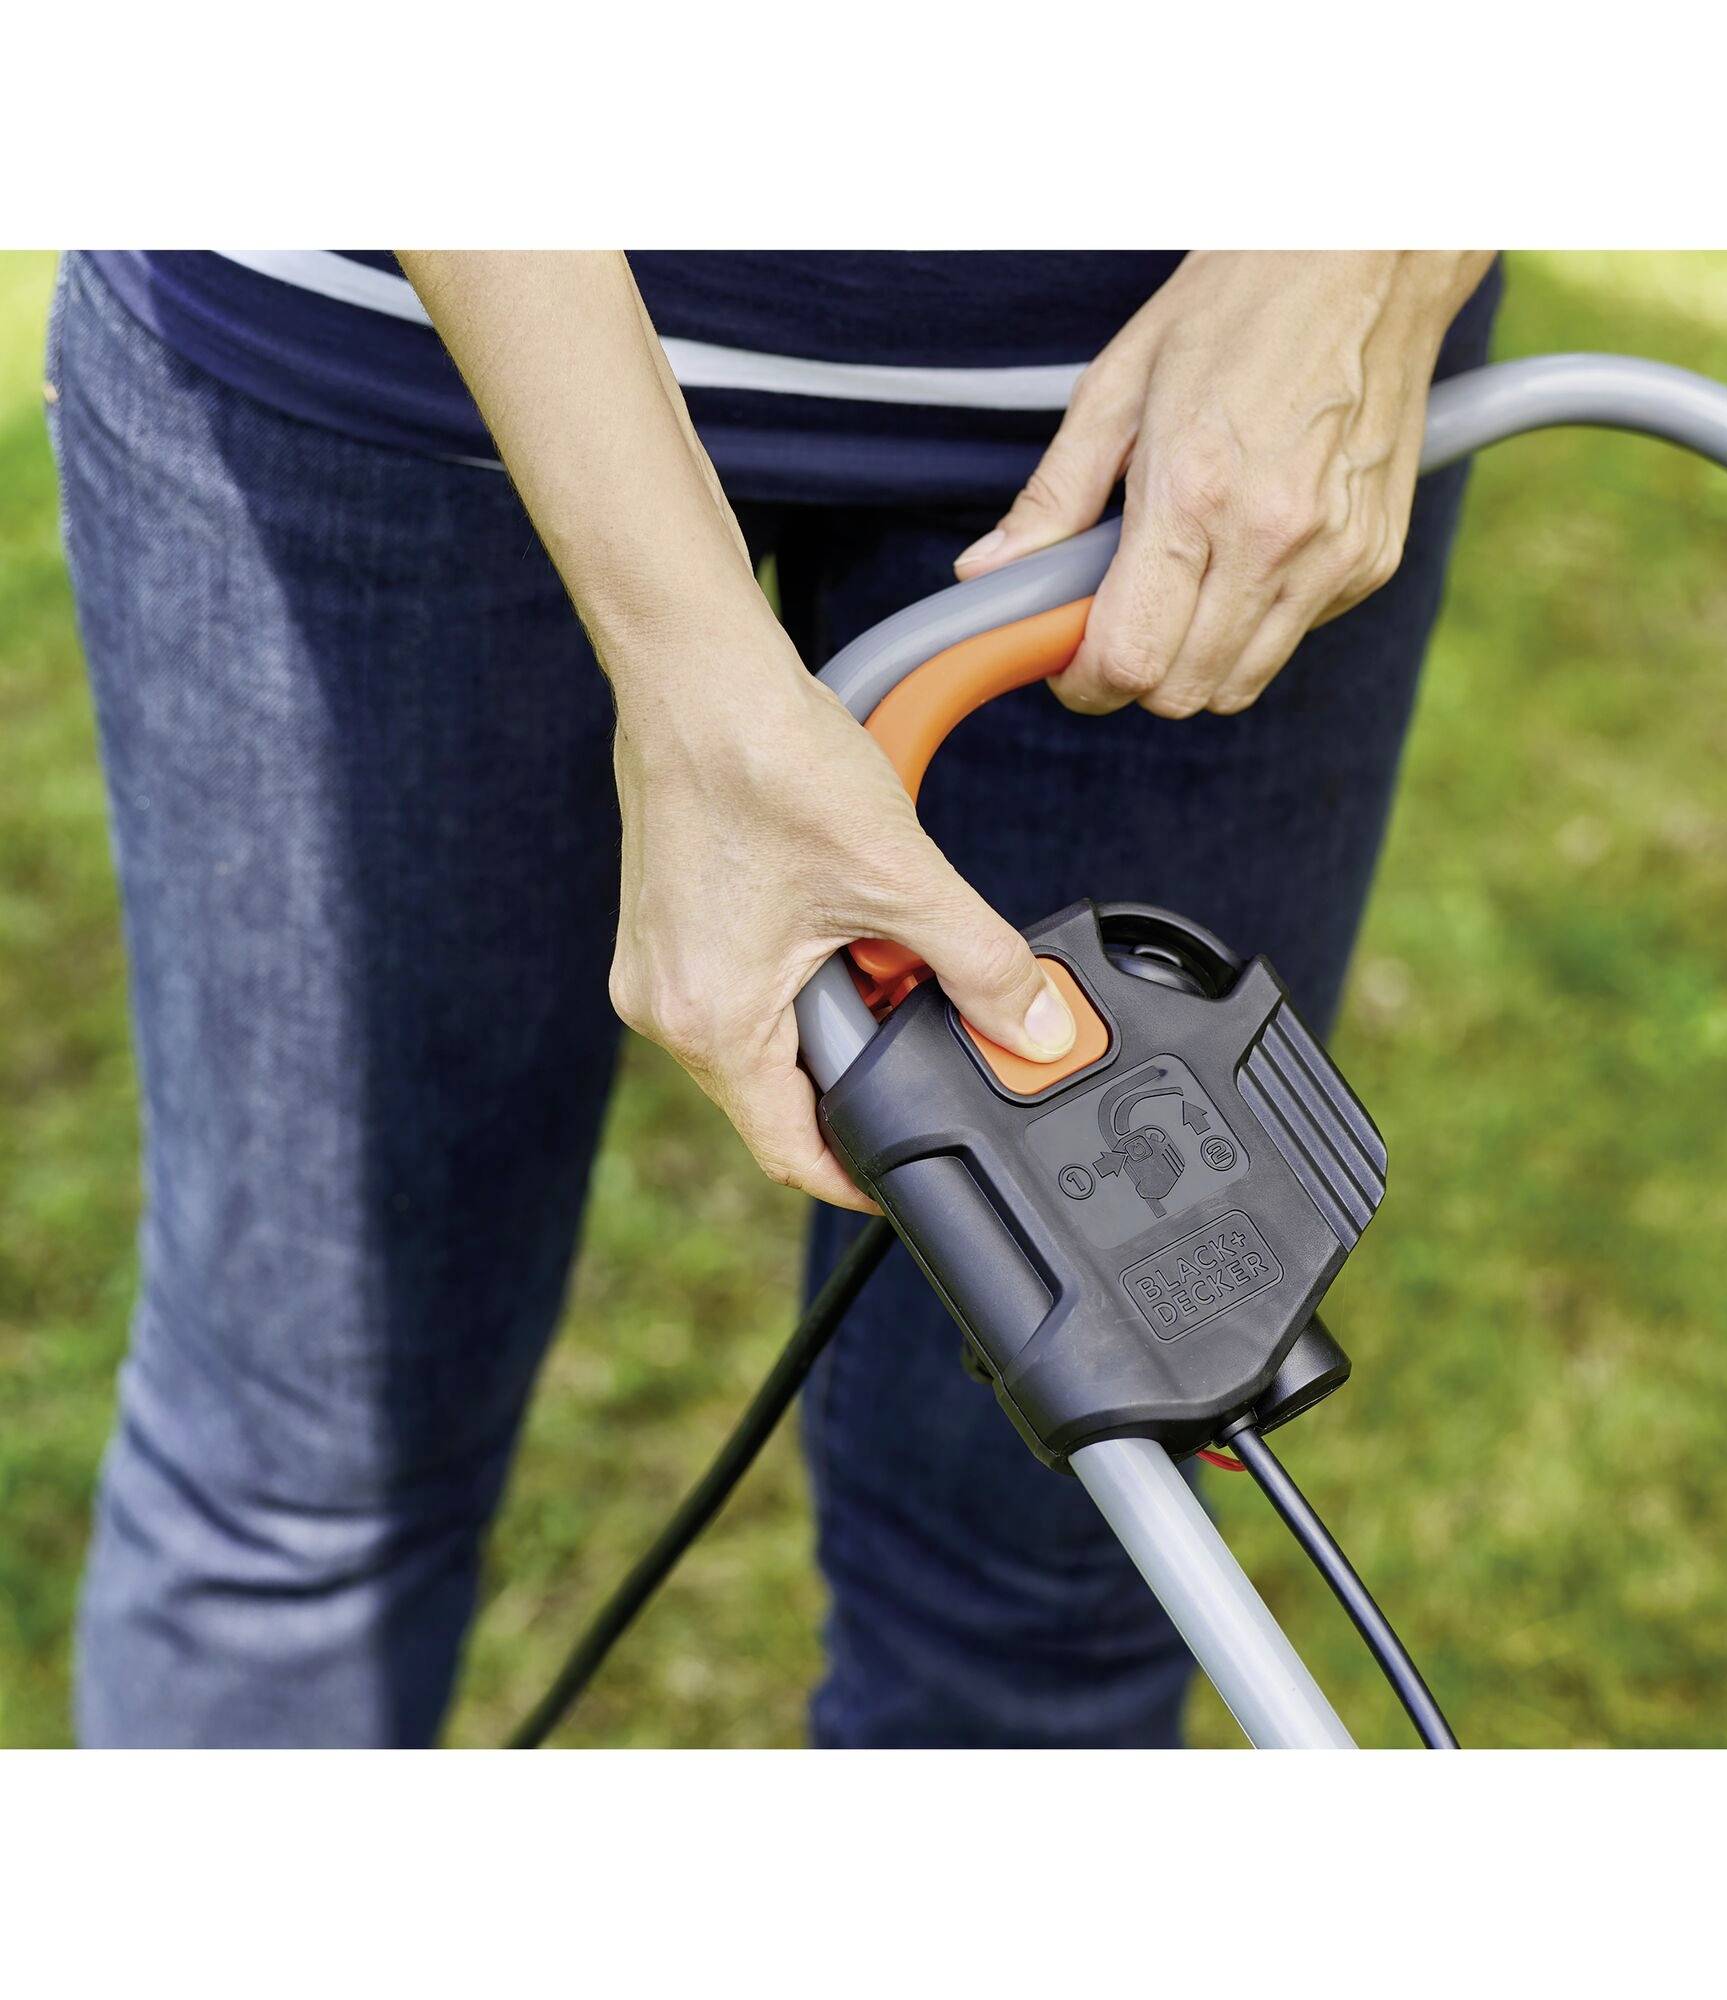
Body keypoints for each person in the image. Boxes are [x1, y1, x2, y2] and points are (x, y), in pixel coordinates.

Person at [49, 247, 1500, 1746]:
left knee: (1050, 1553)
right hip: (397, 356)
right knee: (302, 1485)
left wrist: (1363, 259)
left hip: (1207, 425)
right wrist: (682, 665)